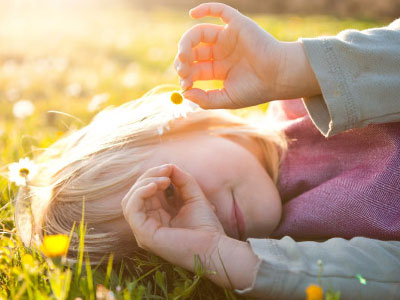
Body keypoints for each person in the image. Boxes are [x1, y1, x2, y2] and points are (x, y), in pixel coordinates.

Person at [14, 3, 400, 300]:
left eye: (168, 191)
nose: (202, 212)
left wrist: (293, 67)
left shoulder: (308, 92)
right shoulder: (292, 256)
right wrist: (217, 254)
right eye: (164, 240)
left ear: (187, 124)